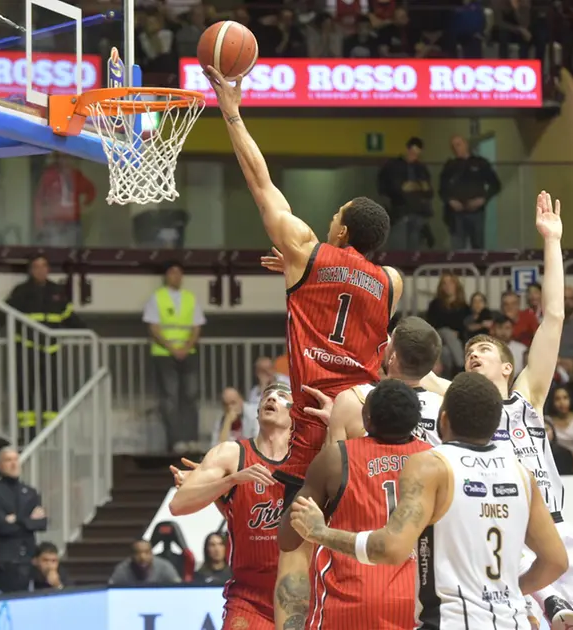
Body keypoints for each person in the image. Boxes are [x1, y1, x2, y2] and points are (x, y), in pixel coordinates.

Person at [204, 63, 403, 629]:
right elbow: (361, 311)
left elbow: (260, 182)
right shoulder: (392, 282)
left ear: (339, 231)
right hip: (365, 425)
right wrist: (298, 277)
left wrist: (232, 111)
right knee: (356, 546)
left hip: (314, 422)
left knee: (294, 548)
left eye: (335, 215)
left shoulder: (309, 249)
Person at [422, 192, 573, 630]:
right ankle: (545, 604)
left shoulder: (527, 398)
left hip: (555, 530)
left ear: (508, 366)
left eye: (482, 349)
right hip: (503, 534)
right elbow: (412, 370)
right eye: (467, 351)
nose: (472, 355)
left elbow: (554, 318)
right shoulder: (458, 402)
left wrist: (552, 242)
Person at [288, 372, 569, 630]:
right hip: (512, 622)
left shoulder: (432, 465)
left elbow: (392, 549)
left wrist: (321, 533)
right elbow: (556, 561)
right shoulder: (521, 473)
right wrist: (511, 591)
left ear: (443, 419)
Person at [278, 379, 433, 629]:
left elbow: (288, 539)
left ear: (367, 418)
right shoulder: (435, 460)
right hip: (414, 601)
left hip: (348, 600)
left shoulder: (335, 458)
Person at [168, 383, 292, 630]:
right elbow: (178, 505)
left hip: (301, 593)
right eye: (267, 395)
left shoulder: (310, 457)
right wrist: (231, 481)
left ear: (296, 413)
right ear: (256, 412)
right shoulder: (230, 454)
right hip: (250, 596)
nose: (272, 398)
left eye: (282, 396)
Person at [325, 316, 444, 446]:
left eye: (389, 342)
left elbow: (333, 462)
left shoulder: (352, 400)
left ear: (393, 357)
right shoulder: (444, 409)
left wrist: (334, 420)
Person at [5, 254, 84, 439]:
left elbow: (69, 317)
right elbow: (4, 315)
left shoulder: (57, 291)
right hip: (27, 349)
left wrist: (90, 334)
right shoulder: (21, 291)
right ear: (31, 270)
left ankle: (51, 432)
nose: (41, 270)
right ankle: (27, 432)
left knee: (52, 391)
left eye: (44, 266)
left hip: (51, 350)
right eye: (36, 267)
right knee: (26, 390)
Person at [143, 261, 206, 453]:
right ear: (166, 276)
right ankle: (175, 441)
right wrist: (173, 348)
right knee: (170, 397)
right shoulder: (157, 298)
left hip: (188, 354)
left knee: (191, 396)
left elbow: (196, 326)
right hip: (164, 354)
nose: (176, 277)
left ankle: (191, 439)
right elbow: (153, 327)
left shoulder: (189, 298)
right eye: (172, 273)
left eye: (179, 273)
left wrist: (186, 347)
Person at [0, 447, 47, 593]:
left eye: (16, 459)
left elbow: (42, 523)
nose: (13, 464)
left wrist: (16, 519)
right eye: (8, 460)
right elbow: (2, 526)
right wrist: (28, 521)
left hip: (28, 559)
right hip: (5, 562)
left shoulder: (30, 492)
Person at [108, 540, 181, 585]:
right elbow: (111, 590)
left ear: (152, 553)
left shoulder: (164, 567)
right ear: (131, 556)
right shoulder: (122, 569)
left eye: (147, 552)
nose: (142, 557)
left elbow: (179, 588)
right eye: (137, 553)